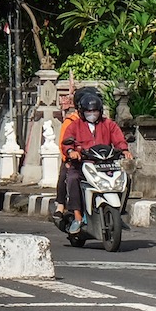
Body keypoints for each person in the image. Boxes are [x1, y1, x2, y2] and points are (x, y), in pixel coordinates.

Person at [62, 91, 132, 234]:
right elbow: (66, 142)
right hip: (82, 163)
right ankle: (77, 217)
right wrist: (71, 152)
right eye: (88, 111)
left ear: (99, 111)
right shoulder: (75, 125)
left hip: (105, 164)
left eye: (94, 111)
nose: (92, 114)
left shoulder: (108, 124)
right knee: (73, 178)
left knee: (126, 180)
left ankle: (119, 213)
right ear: (82, 112)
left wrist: (124, 150)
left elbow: (118, 139)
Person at [53, 87, 100, 219]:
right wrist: (68, 156)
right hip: (77, 159)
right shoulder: (71, 122)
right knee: (66, 174)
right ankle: (61, 205)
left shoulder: (103, 122)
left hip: (96, 160)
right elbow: (64, 142)